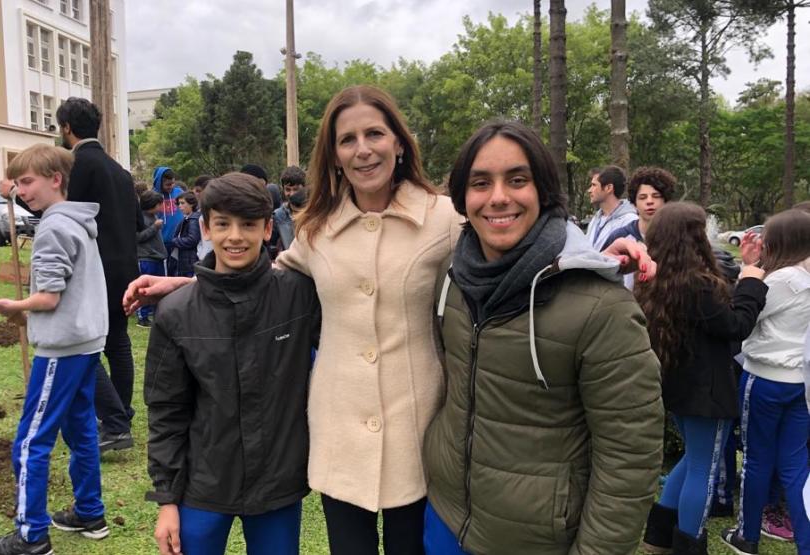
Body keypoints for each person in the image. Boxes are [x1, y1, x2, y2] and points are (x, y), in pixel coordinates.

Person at [124, 85, 655, 555]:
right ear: (333, 155)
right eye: (347, 139)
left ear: (399, 142)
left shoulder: (445, 218)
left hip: (418, 435)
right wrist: (186, 284)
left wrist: (595, 253)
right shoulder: (315, 228)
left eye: (374, 134)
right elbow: (262, 278)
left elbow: (519, 234)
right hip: (338, 436)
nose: (363, 149)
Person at [421, 120, 665, 555]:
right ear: (462, 197)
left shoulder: (603, 309)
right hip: (445, 517)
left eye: (518, 180)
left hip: (537, 538)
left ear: (544, 190)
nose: (499, 196)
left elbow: (629, 460)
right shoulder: (450, 278)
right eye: (481, 182)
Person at [145, 173, 320, 555]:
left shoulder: (299, 295)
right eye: (223, 224)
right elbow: (166, 410)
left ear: (268, 228)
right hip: (203, 484)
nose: (235, 237)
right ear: (206, 228)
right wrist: (166, 500)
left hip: (277, 481)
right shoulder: (176, 314)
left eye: (248, 225)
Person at [0, 144, 110, 555]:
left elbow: (50, 297)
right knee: (81, 430)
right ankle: (90, 512)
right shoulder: (78, 221)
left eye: (27, 182)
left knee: (30, 441)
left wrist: (16, 307)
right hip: (86, 343)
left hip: (61, 350)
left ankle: (32, 535)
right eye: (17, 184)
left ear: (56, 180)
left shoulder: (54, 228)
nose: (21, 191)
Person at [3, 98, 139, 452]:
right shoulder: (120, 171)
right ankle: (120, 413)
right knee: (117, 343)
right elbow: (138, 223)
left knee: (83, 345)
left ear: (66, 128)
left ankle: (115, 421)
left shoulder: (77, 165)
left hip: (88, 269)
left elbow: (58, 206)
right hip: (126, 268)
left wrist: (15, 195)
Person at [634, 202, 767, 554]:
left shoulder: (658, 278)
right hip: (705, 393)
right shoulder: (697, 285)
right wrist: (751, 282)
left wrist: (746, 267)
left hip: (679, 388)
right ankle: (688, 546)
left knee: (694, 460)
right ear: (692, 237)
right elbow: (735, 325)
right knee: (703, 470)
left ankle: (658, 537)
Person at [722, 209, 810, 555]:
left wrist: (748, 273)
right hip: (799, 383)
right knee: (795, 466)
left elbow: (744, 315)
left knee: (757, 461)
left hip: (764, 379)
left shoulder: (781, 280)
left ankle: (747, 536)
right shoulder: (804, 276)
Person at [585, 165, 637, 250]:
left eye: (594, 185)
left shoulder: (630, 221)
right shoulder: (595, 220)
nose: (589, 190)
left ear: (609, 188)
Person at [136, 189, 166, 328]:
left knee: (158, 288)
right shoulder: (140, 218)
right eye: (159, 204)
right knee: (145, 289)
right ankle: (143, 317)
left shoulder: (154, 216)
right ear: (151, 204)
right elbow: (138, 237)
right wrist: (154, 227)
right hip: (146, 258)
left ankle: (156, 314)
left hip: (157, 257)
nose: (161, 207)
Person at [271, 166, 307, 256]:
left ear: (304, 188)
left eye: (296, 189)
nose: (292, 194)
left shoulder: (315, 212)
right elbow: (271, 244)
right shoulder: (278, 215)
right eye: (288, 189)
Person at [167, 192, 201, 278]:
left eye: (182, 203)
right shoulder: (188, 218)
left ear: (192, 204)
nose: (180, 206)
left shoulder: (193, 220)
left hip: (189, 260)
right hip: (186, 259)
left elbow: (192, 240)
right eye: (179, 203)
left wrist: (175, 241)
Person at [152, 166, 184, 255]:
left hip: (179, 241)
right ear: (159, 183)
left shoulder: (179, 192)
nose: (171, 186)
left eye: (173, 183)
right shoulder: (153, 196)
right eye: (168, 184)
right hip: (160, 243)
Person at [191, 175, 214, 261]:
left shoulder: (214, 214)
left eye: (198, 191)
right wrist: (200, 253)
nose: (195, 194)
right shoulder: (199, 213)